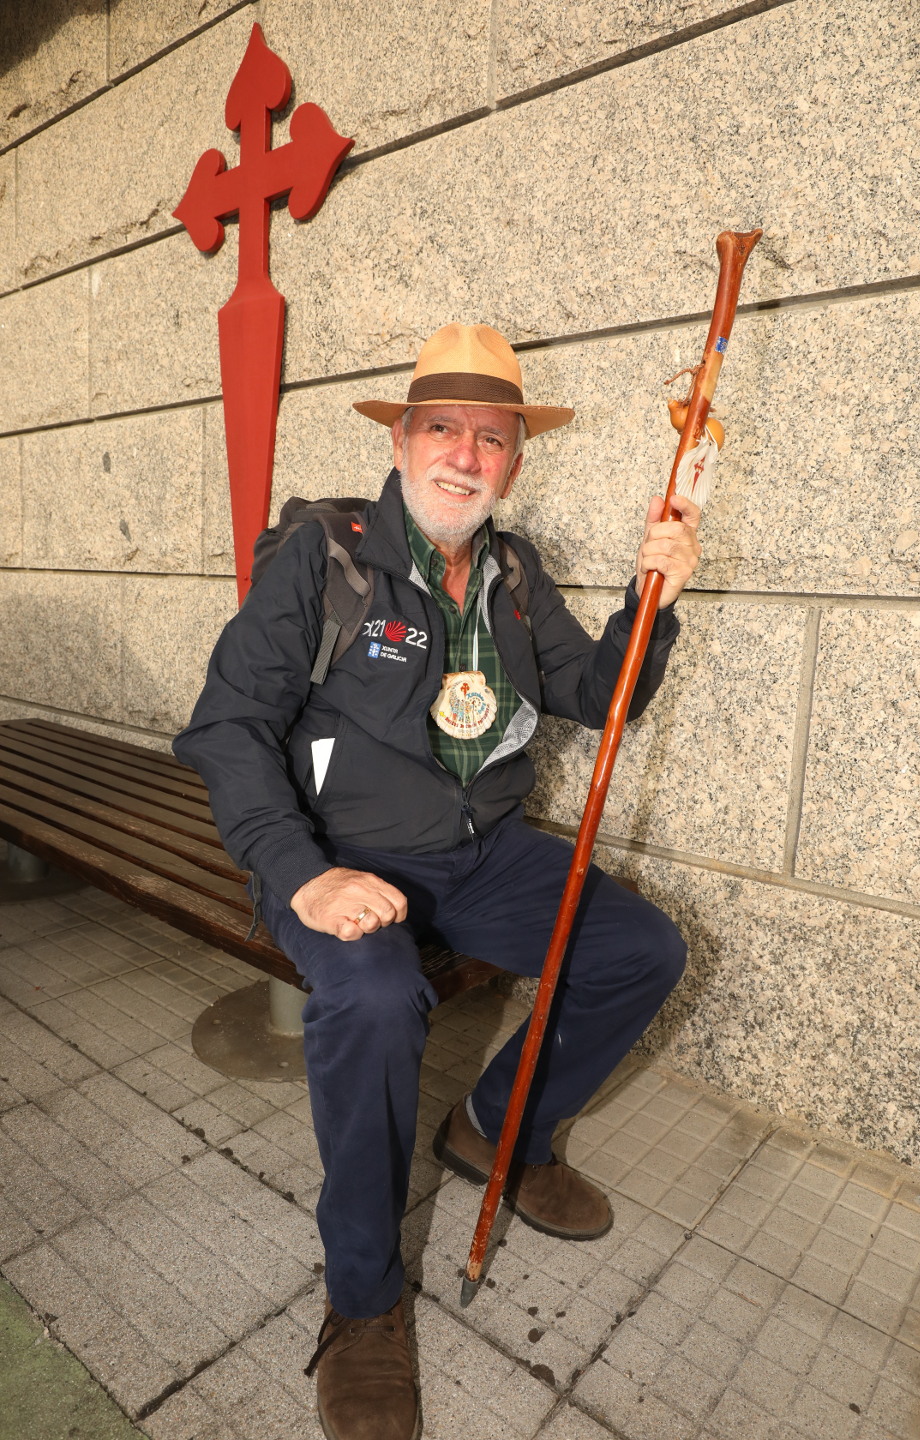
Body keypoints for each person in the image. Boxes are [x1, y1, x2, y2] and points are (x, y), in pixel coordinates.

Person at [174, 323, 702, 1440]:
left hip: (482, 849)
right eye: (443, 429)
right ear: (402, 440)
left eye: (492, 437)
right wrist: (303, 877)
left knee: (641, 951)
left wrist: (650, 601)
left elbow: (597, 696)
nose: (465, 455)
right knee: (376, 996)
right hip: (340, 854)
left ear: (515, 459)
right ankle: (364, 1300)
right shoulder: (324, 556)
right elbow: (227, 728)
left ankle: (495, 1129)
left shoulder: (514, 573)